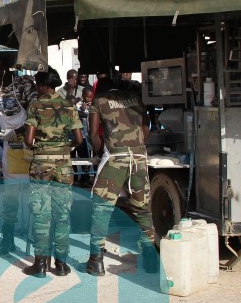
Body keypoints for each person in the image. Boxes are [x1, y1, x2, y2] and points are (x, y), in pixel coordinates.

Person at [88, 77, 159, 275]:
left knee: (101, 207)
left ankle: (96, 260)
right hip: (139, 158)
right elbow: (146, 132)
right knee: (142, 209)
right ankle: (151, 257)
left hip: (115, 157)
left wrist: (101, 152)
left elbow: (93, 134)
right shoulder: (136, 99)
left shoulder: (99, 101)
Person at [22, 71, 83, 277]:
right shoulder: (68, 105)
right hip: (64, 164)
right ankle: (62, 264)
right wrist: (64, 148)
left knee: (41, 214)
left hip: (41, 164)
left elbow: (29, 141)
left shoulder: (36, 106)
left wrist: (41, 146)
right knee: (63, 214)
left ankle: (40, 265)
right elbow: (79, 139)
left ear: (41, 86)